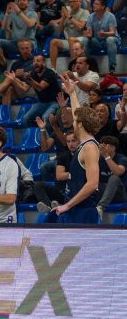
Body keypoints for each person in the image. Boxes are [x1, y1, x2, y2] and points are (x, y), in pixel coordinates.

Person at [53, 77, 101, 223]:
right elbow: (77, 113)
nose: (73, 122)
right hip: (74, 207)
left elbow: (93, 184)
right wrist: (72, 93)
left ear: (80, 125)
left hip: (83, 212)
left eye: (75, 121)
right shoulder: (84, 142)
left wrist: (67, 205)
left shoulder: (90, 148)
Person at [96, 136, 127, 218]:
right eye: (101, 145)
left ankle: (101, 207)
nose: (101, 148)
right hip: (103, 191)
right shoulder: (98, 159)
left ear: (113, 148)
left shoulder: (122, 159)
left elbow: (118, 172)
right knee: (91, 180)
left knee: (114, 178)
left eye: (105, 145)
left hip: (118, 194)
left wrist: (106, 155)